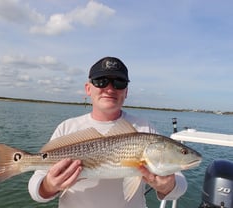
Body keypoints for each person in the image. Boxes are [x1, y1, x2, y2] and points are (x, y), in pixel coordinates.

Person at [28, 56, 187, 208]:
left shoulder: (144, 128)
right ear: (88, 88)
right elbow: (36, 188)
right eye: (100, 81)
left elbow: (179, 186)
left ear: (126, 91)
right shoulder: (67, 127)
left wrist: (168, 185)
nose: (110, 89)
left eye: (119, 82)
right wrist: (49, 186)